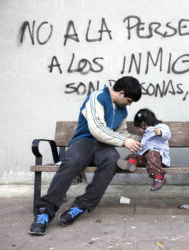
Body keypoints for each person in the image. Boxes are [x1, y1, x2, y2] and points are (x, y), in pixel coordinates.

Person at [29, 76, 143, 235]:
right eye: (129, 100)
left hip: (104, 147)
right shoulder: (97, 97)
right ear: (121, 93)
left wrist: (141, 140)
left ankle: (80, 206)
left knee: (112, 161)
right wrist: (124, 142)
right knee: (72, 161)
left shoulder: (122, 110)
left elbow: (121, 132)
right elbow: (97, 128)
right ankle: (44, 211)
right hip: (84, 142)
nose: (129, 105)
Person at [117, 108, 171, 191]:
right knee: (135, 156)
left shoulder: (161, 127)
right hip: (147, 160)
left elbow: (167, 134)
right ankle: (130, 164)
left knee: (151, 154)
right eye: (139, 127)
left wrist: (161, 133)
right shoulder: (146, 134)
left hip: (158, 159)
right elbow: (144, 146)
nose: (140, 129)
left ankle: (159, 177)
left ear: (149, 121)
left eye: (142, 126)